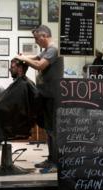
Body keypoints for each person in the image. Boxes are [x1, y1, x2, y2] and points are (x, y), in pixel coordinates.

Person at [14, 25, 64, 174]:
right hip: (45, 95)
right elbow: (35, 58)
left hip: (53, 96)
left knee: (54, 130)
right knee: (48, 129)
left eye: (36, 38)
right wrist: (21, 57)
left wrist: (23, 59)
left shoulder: (54, 49)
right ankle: (51, 158)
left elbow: (39, 65)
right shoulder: (46, 50)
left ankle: (56, 163)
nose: (36, 42)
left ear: (43, 36)